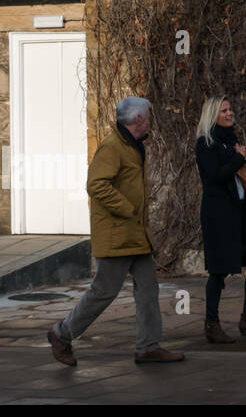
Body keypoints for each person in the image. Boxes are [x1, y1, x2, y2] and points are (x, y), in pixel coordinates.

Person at [47, 96, 185, 366]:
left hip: (136, 234)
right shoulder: (112, 146)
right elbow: (96, 185)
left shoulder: (133, 145)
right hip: (116, 234)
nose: (150, 121)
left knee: (148, 290)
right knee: (103, 291)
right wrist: (126, 208)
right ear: (138, 119)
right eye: (148, 116)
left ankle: (148, 346)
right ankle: (61, 334)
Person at [195, 94, 246, 342]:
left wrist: (242, 157)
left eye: (230, 109)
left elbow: (238, 171)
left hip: (239, 215)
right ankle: (212, 324)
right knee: (219, 271)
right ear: (212, 116)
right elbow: (215, 176)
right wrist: (239, 158)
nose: (230, 113)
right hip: (219, 217)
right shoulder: (205, 143)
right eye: (224, 111)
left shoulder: (231, 140)